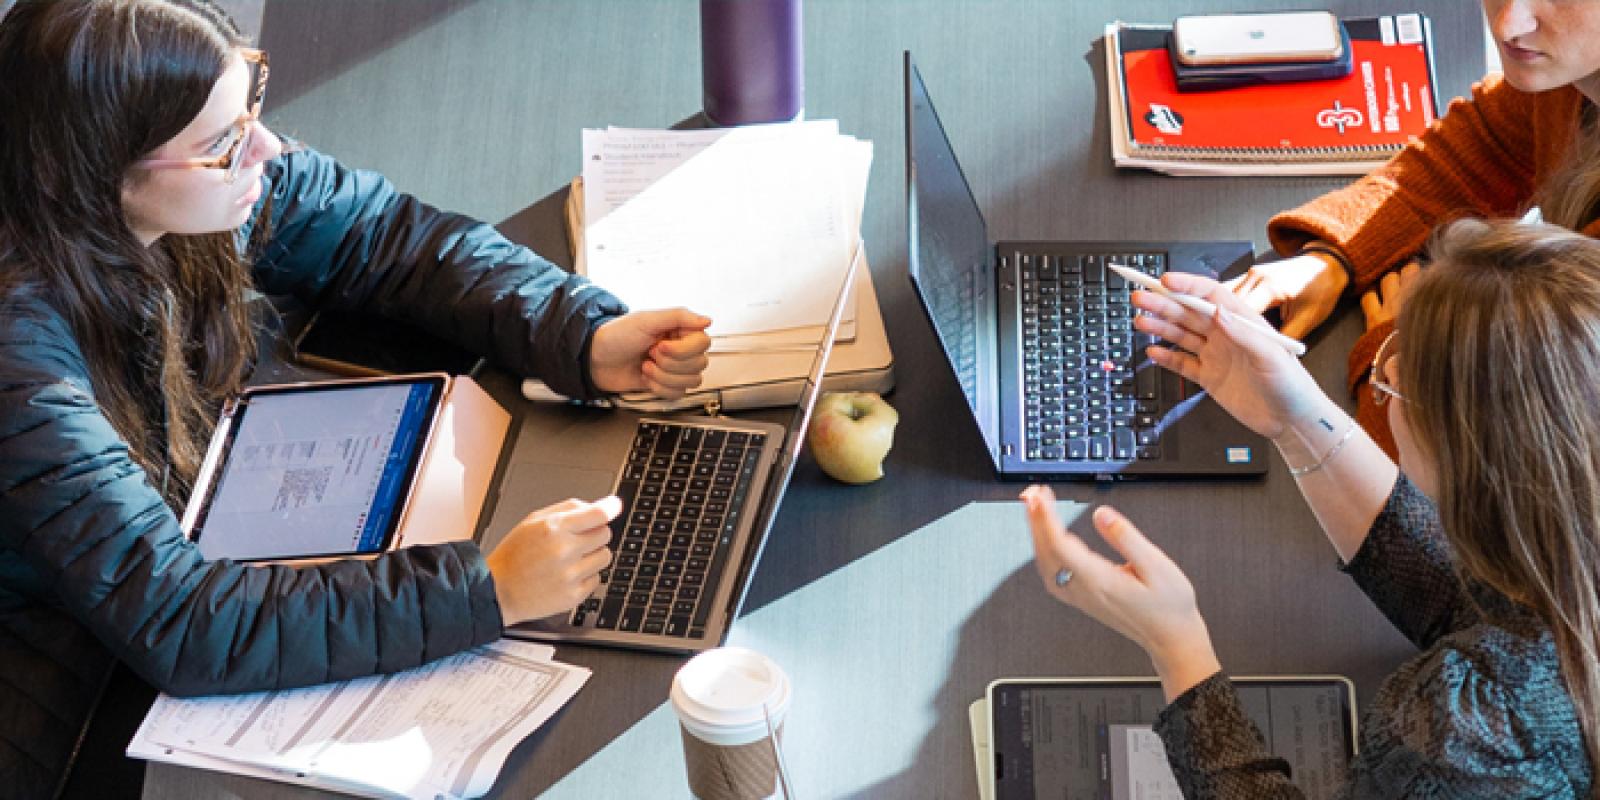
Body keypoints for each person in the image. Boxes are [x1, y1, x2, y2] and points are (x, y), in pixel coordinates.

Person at [0, 0, 714, 796]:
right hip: (75, 704)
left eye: (250, 108)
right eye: (220, 145)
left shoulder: (193, 188)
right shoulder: (20, 357)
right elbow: (183, 623)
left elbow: (382, 234)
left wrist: (572, 328)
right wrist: (486, 593)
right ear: (99, 170)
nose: (265, 149)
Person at [1024, 219, 1598, 797]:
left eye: (1406, 372)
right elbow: (1489, 611)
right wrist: (1296, 418)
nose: (1389, 369)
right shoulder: (1567, 548)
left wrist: (1176, 646)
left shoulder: (1466, 737)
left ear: (1476, 469)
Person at [1229, 0, 1600, 456]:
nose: (1508, 23)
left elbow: (1465, 473)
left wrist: (1397, 355)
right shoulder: (1569, 76)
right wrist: (1334, 259)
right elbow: (1482, 151)